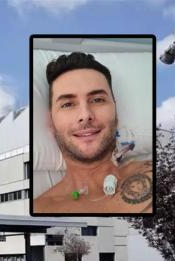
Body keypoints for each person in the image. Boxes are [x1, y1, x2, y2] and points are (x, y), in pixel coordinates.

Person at [34, 52, 152, 214]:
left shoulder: (157, 173)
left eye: (97, 100)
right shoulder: (41, 209)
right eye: (68, 104)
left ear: (115, 113)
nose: (85, 115)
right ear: (51, 122)